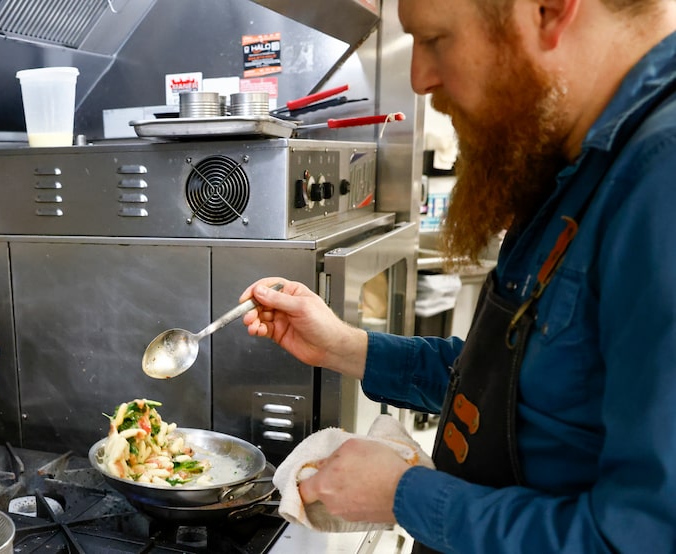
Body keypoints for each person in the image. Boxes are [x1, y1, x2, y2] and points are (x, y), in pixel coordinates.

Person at [239, 0, 676, 552]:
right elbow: (514, 392)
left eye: (436, 39)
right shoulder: (574, 169)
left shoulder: (661, 177)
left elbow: (644, 538)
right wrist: (346, 348)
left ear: (548, 10)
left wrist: (405, 495)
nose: (419, 79)